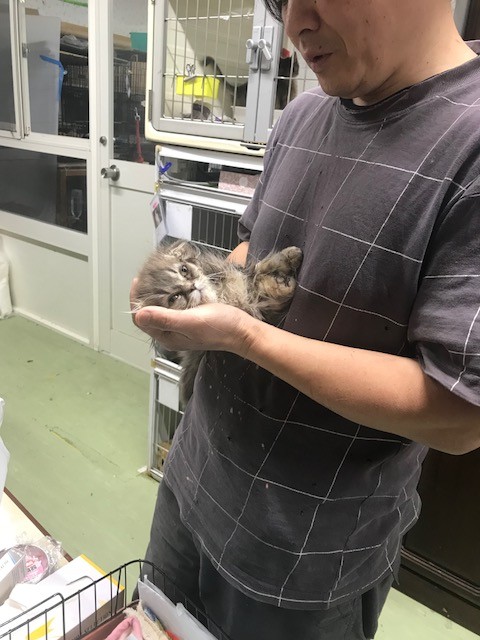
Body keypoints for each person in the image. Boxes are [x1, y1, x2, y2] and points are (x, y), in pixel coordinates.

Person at [131, 1, 480, 638]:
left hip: (304, 565)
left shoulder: (469, 142)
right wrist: (193, 291)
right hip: (192, 485)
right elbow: (251, 250)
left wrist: (244, 336)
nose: (293, 24)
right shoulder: (303, 112)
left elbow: (458, 416)